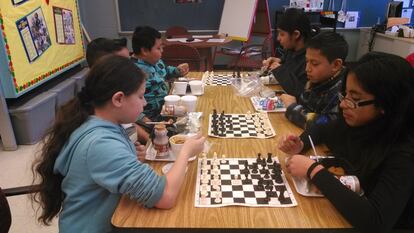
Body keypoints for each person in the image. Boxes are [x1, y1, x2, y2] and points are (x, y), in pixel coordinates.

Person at [31, 55, 205, 233]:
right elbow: (166, 197)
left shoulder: (96, 122)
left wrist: (129, 155)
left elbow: (101, 165)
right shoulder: (100, 144)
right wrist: (186, 151)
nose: (144, 103)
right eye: (140, 96)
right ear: (118, 99)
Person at [279, 52, 414, 233]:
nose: (343, 105)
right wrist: (300, 144)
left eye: (355, 99)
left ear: (386, 104)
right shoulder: (359, 122)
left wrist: (313, 171)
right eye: (345, 95)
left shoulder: (404, 154)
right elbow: (320, 124)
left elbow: (375, 222)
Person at [131, 26, 189, 142]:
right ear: (145, 51)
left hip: (165, 112)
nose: (162, 51)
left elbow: (165, 71)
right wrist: (149, 123)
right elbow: (130, 106)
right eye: (158, 48)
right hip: (149, 121)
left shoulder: (155, 62)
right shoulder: (133, 72)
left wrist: (177, 71)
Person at [280, 31, 348, 129]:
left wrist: (293, 107)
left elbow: (324, 124)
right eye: (307, 61)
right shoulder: (317, 80)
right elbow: (306, 107)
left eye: (314, 63)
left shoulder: (342, 91)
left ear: (336, 65)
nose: (307, 68)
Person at [262, 8, 314, 97]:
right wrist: (278, 61)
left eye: (282, 34)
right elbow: (288, 63)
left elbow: (301, 93)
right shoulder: (291, 49)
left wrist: (280, 71)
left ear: (296, 34)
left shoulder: (310, 58)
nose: (278, 38)